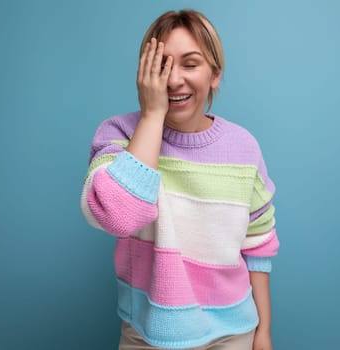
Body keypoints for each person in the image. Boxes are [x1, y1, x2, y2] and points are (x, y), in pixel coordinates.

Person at [80, 9, 279, 350]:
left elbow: (258, 244)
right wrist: (153, 114)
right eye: (163, 65)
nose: (173, 80)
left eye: (190, 64)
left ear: (215, 74)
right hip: (144, 333)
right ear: (145, 73)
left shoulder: (244, 148)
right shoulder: (118, 135)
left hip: (232, 334)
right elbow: (119, 216)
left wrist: (263, 332)